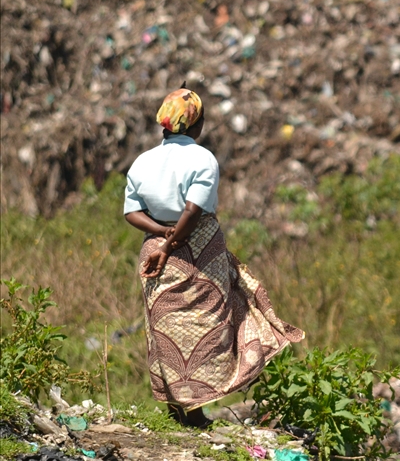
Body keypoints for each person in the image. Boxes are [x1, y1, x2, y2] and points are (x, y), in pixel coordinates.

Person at [124, 85, 304, 427]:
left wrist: (161, 237)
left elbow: (132, 212)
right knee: (210, 322)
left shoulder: (142, 162)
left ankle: (179, 410)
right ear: (197, 124)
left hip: (156, 250)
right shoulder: (202, 159)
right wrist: (172, 243)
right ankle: (198, 409)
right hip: (197, 251)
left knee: (166, 329)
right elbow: (192, 212)